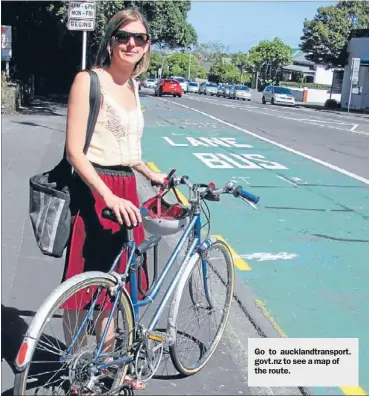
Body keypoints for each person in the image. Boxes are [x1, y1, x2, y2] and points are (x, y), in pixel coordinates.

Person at [62, 8, 165, 391]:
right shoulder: (88, 81)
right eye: (124, 36)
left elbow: (128, 148)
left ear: (147, 46)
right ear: (110, 40)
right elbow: (76, 151)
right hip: (96, 190)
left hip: (125, 190)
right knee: (86, 282)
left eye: (139, 38)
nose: (131, 44)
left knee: (119, 284)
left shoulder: (135, 87)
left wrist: (149, 173)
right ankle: (76, 364)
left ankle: (106, 365)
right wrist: (105, 195)